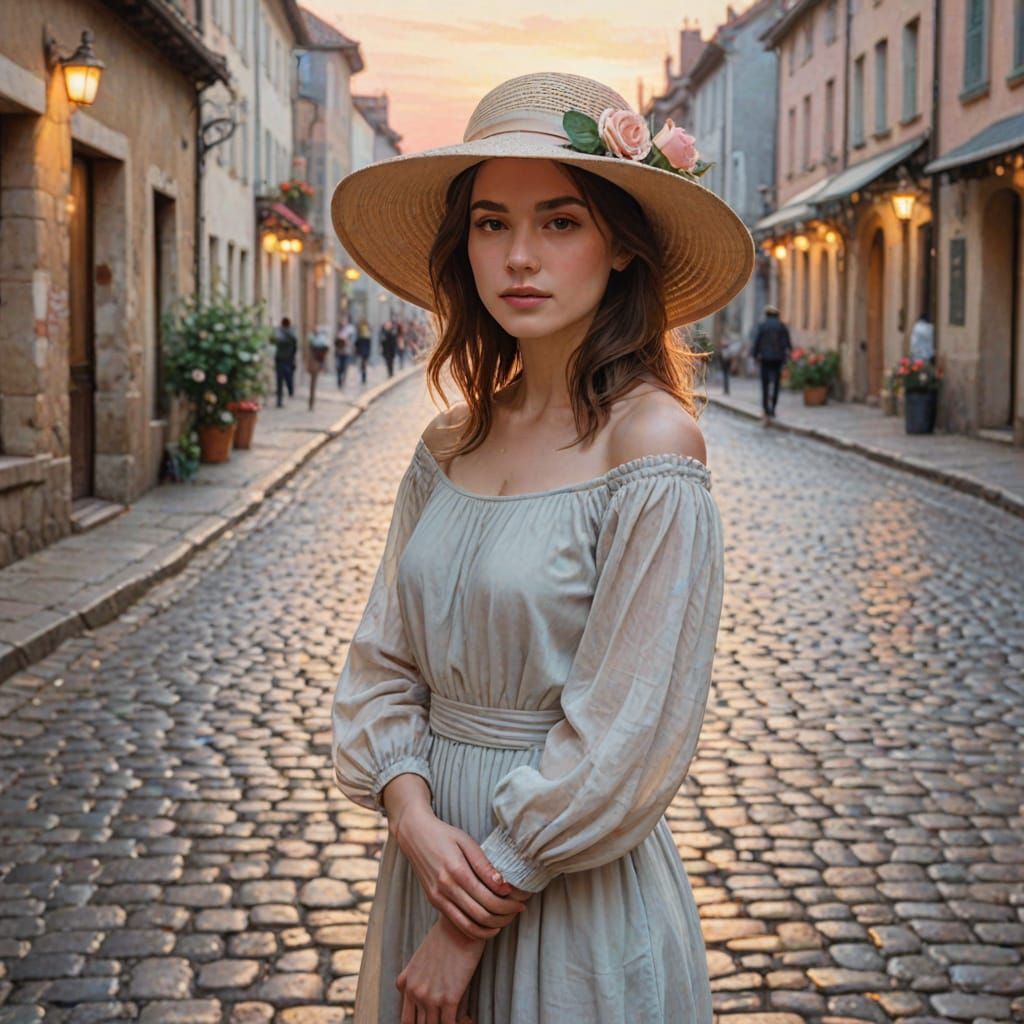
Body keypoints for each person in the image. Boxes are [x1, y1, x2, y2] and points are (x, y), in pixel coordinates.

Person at [329, 71, 752, 1024]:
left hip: (557, 896)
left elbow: (628, 730)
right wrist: (412, 818)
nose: (519, 255)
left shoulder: (651, 447)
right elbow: (383, 660)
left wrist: (470, 921)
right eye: (490, 223)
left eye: (559, 222)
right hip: (430, 864)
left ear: (620, 248)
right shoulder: (448, 445)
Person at [751, 304, 791, 423]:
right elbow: (787, 343)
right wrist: (786, 355)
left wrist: (754, 355)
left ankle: (765, 408)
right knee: (777, 384)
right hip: (778, 359)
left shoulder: (762, 326)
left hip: (765, 359)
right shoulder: (781, 326)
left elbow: (757, 341)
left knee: (765, 384)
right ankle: (773, 407)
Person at [273, 316, 297, 408]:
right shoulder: (286, 333)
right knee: (285, 378)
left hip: (284, 359)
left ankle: (283, 397)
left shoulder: (283, 333)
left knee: (283, 379)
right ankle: (281, 399)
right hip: (284, 359)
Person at [307, 325, 331, 410]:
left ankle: (311, 402)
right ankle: (311, 402)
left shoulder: (318, 341)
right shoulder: (315, 341)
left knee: (313, 384)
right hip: (314, 363)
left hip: (316, 363)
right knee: (312, 384)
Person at [335, 315, 355, 388]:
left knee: (345, 366)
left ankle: (343, 379)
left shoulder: (350, 329)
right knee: (339, 367)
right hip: (339, 351)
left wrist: (347, 342)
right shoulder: (338, 329)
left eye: (345, 320)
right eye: (342, 320)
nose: (343, 322)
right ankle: (339, 380)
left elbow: (352, 341)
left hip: (347, 351)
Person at [355, 318, 372, 384]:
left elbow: (357, 343)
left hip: (363, 351)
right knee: (363, 364)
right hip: (363, 351)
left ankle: (363, 377)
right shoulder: (363, 333)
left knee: (363, 364)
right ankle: (363, 377)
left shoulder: (363, 333)